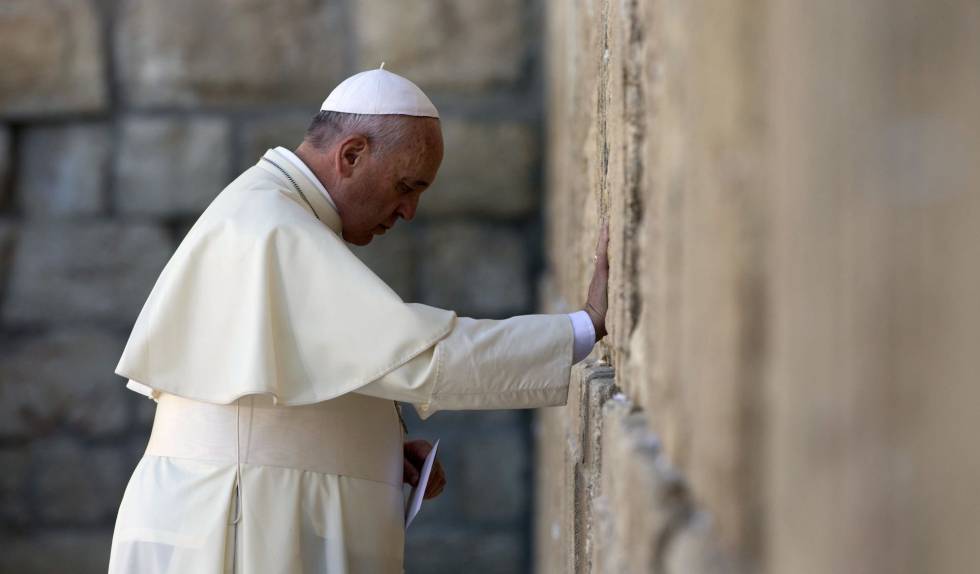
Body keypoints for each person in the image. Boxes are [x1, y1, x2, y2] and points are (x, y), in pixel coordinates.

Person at [107, 66, 610, 574]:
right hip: (232, 524)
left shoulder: (270, 210)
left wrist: (375, 446)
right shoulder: (274, 229)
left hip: (237, 507)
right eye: (406, 186)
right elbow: (421, 356)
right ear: (351, 155)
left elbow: (290, 388)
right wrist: (582, 327)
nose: (409, 210)